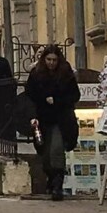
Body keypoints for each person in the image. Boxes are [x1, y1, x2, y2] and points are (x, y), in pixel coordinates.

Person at [24, 45, 81, 201]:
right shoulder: (36, 75)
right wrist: (32, 116)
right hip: (42, 119)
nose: (51, 63)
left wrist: (57, 101)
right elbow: (29, 97)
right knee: (45, 152)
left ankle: (57, 186)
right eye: (48, 59)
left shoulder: (66, 74)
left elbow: (75, 95)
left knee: (56, 150)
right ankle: (50, 180)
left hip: (61, 119)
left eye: (54, 60)